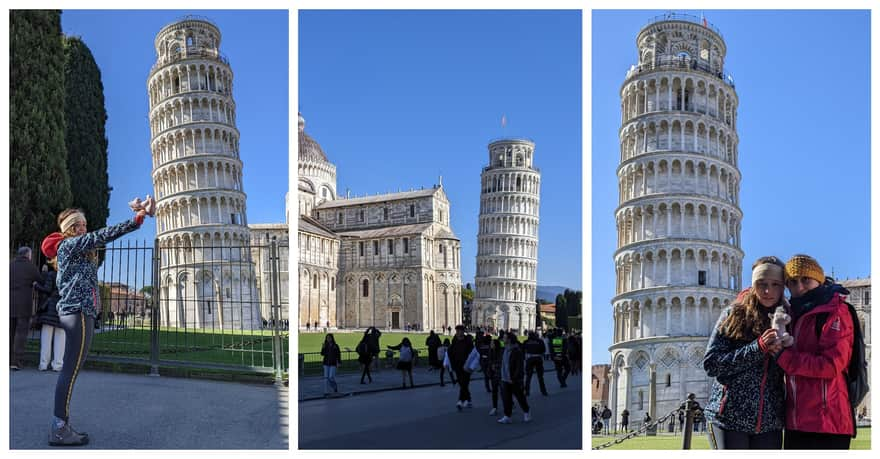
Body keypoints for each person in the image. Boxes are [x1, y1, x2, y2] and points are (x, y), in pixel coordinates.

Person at [41, 202, 153, 446]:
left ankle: (61, 424)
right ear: (68, 229)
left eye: (84, 224)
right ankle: (59, 427)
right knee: (69, 370)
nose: (82, 228)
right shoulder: (70, 245)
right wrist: (136, 220)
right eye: (77, 225)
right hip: (78, 313)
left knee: (71, 369)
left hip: (82, 312)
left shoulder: (77, 251)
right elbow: (103, 235)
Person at [702, 256, 786, 449]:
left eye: (775, 284)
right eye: (761, 284)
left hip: (769, 423)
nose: (768, 291)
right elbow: (712, 363)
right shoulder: (734, 314)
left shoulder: (789, 318)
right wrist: (758, 347)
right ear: (753, 284)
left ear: (783, 287)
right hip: (728, 420)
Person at [775, 254, 855, 449]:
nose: (799, 287)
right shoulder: (789, 315)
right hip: (796, 422)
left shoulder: (836, 311)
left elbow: (831, 365)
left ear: (818, 280)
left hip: (828, 422)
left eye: (806, 280)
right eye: (792, 282)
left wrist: (783, 358)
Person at [10, 246, 42, 371]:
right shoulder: (30, 267)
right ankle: (15, 361)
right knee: (21, 333)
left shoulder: (9, 265)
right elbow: (41, 280)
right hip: (23, 304)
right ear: (28, 255)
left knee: (9, 332)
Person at [34, 262, 64, 372]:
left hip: (50, 308)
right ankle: (58, 364)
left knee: (46, 338)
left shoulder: (52, 275)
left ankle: (43, 364)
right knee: (61, 338)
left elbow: (47, 290)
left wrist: (36, 286)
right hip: (62, 308)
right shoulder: (68, 275)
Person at [497, 333, 531, 424]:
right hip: (505, 378)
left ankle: (526, 411)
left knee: (520, 396)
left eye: (504, 338)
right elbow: (503, 363)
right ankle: (507, 416)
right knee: (506, 398)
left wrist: (515, 377)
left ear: (510, 339)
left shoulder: (517, 351)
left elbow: (519, 366)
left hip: (514, 379)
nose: (503, 339)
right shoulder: (504, 349)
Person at [448, 324, 474, 410]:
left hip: (467, 366)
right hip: (458, 366)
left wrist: (471, 365)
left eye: (460, 331)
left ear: (463, 332)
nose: (459, 333)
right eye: (457, 331)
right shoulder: (454, 341)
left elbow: (473, 354)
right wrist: (451, 365)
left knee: (464, 383)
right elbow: (451, 354)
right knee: (463, 384)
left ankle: (460, 401)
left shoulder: (468, 342)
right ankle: (468, 399)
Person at [523, 331, 548, 396]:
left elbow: (522, 350)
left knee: (528, 377)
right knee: (540, 377)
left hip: (529, 359)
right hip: (538, 358)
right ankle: (543, 391)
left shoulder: (526, 342)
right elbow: (543, 350)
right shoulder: (540, 341)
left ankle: (527, 391)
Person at [486, 337, 503, 416]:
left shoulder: (500, 352)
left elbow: (501, 362)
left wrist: (495, 366)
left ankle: (510, 405)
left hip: (500, 374)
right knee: (494, 391)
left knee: (503, 392)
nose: (490, 345)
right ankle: (494, 407)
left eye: (492, 343)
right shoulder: (490, 352)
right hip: (493, 374)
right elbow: (489, 362)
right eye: (490, 343)